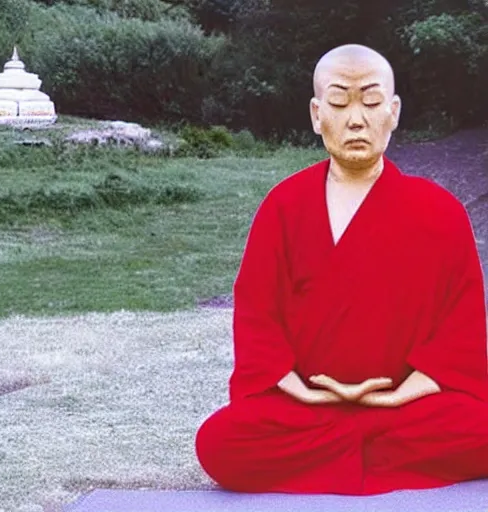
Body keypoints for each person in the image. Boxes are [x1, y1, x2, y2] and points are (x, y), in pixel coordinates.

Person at [195, 44, 488, 495]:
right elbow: (257, 315)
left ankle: (344, 453)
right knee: (219, 443)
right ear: (316, 114)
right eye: (339, 102)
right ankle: (370, 452)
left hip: (409, 409)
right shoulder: (285, 206)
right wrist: (304, 392)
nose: (356, 118)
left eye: (371, 102)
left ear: (393, 112)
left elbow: (460, 328)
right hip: (307, 410)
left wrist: (398, 395)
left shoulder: (440, 211)